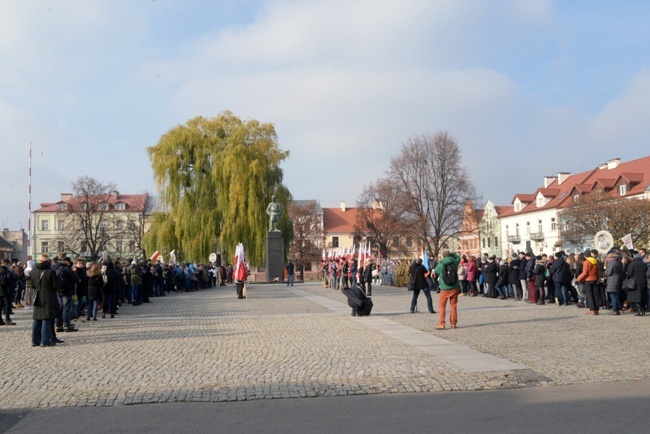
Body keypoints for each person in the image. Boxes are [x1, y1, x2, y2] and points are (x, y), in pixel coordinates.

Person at [30, 254, 63, 346]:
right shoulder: (50, 272)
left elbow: (32, 286)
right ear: (48, 262)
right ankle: (45, 341)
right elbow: (56, 286)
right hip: (49, 296)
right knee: (46, 318)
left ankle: (35, 341)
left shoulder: (33, 272)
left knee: (37, 319)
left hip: (37, 297)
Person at [433, 250, 461, 329]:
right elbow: (458, 257)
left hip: (444, 288)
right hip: (454, 287)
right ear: (449, 256)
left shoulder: (440, 265)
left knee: (442, 306)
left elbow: (435, 271)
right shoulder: (454, 263)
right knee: (453, 306)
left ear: (443, 256)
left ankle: (442, 323)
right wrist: (452, 253)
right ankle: (453, 323)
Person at [577, 249, 601, 315]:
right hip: (595, 279)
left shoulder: (586, 262)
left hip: (588, 280)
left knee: (590, 295)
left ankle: (592, 309)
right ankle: (596, 310)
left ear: (585, 256)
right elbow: (598, 272)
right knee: (595, 295)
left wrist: (578, 279)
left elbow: (585, 273)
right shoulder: (595, 261)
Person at [0, 258, 16, 325]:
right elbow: (3, 281)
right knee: (7, 304)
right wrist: (9, 281)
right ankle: (7, 319)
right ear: (5, 263)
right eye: (8, 264)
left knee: (0, 305)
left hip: (1, 290)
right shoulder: (3, 271)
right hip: (3, 290)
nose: (8, 265)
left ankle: (0, 320)